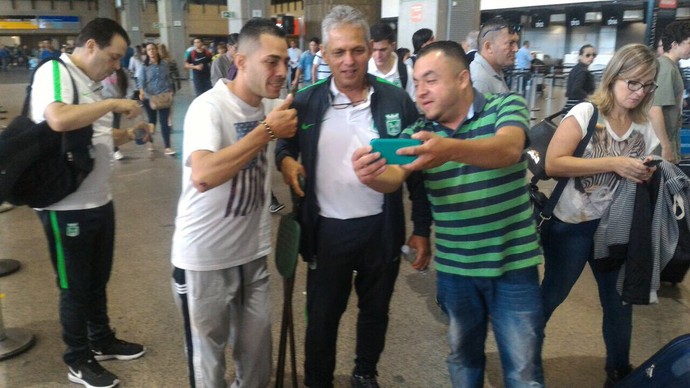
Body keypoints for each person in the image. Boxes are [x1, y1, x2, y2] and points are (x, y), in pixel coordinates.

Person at [351, 40, 545, 388]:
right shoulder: (419, 133)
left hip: (513, 267)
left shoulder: (505, 106)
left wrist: (449, 149)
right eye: (416, 83)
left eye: (430, 80)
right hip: (456, 271)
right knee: (462, 360)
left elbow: (509, 148)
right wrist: (370, 176)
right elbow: (394, 178)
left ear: (462, 79)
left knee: (524, 371)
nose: (420, 92)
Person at [275, 6, 431, 387]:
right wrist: (286, 163)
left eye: (357, 51)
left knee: (375, 312)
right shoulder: (306, 101)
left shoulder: (395, 101)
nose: (349, 61)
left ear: (371, 50)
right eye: (339, 52)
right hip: (326, 232)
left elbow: (417, 168)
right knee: (323, 318)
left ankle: (364, 372)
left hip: (381, 229)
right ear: (325, 54)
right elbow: (284, 145)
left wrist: (422, 228)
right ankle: (318, 381)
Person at [171, 18, 297, 388]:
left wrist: (286, 159)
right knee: (208, 362)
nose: (281, 71)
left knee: (257, 357)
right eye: (271, 62)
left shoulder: (270, 105)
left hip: (252, 255)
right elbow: (204, 174)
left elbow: (283, 138)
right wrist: (268, 132)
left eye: (285, 62)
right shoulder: (208, 108)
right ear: (240, 61)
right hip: (203, 259)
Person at [29, 17, 146, 388]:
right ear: (90, 46)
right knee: (74, 286)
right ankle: (77, 358)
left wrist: (129, 133)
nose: (115, 66)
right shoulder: (55, 71)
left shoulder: (91, 85)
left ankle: (101, 339)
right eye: (113, 57)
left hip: (98, 201)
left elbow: (94, 135)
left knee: (96, 280)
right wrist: (114, 100)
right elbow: (59, 119)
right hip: (66, 208)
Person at [540, 43, 660, 387]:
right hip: (571, 225)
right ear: (614, 77)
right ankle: (524, 359)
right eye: (632, 82)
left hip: (616, 226)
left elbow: (643, 169)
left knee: (619, 303)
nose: (639, 92)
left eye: (647, 85)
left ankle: (618, 371)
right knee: (552, 295)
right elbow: (554, 163)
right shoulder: (586, 113)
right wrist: (615, 162)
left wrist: (644, 172)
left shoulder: (643, 126)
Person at [650, 21, 690, 164]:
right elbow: (655, 109)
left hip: (664, 141)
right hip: (659, 146)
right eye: (688, 43)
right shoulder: (666, 68)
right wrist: (666, 147)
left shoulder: (671, 67)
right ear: (674, 44)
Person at [138, 42, 175, 155]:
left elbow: (168, 78)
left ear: (156, 50)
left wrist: (171, 90)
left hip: (163, 96)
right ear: (147, 52)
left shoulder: (164, 64)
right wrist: (141, 92)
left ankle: (167, 147)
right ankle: (150, 142)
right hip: (150, 97)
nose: (152, 51)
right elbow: (141, 82)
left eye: (153, 49)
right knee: (152, 122)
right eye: (149, 49)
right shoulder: (144, 66)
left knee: (164, 122)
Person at [470, 16, 519, 94]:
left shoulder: (494, 72)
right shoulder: (481, 81)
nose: (516, 49)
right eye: (510, 43)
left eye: (516, 43)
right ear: (488, 47)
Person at [367, 22, 415, 100]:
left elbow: (411, 104)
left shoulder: (406, 72)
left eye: (383, 50)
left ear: (393, 46)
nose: (378, 55)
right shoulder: (364, 71)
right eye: (374, 50)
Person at [564, 44, 597, 110]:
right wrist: (589, 97)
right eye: (588, 55)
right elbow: (576, 89)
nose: (591, 57)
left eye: (594, 55)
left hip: (573, 103)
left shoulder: (578, 68)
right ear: (580, 56)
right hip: (578, 104)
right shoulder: (582, 71)